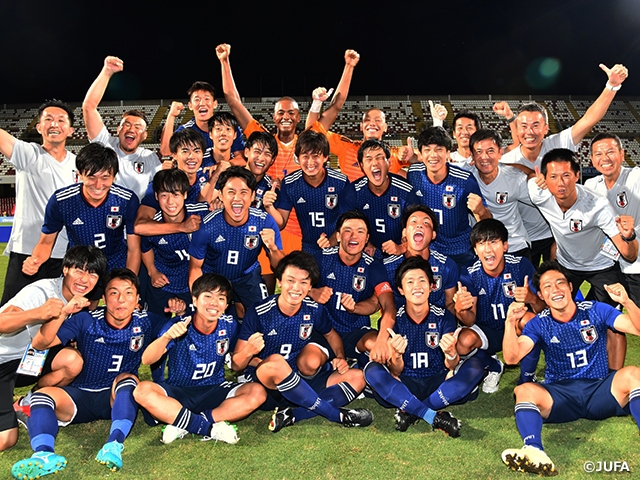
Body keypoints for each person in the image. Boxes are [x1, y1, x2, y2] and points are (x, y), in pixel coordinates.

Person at [10, 269, 184, 477]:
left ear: (138, 299)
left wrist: (180, 313)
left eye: (128, 293)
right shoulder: (86, 319)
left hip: (115, 398)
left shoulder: (146, 320)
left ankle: (113, 445)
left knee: (129, 380)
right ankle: (43, 455)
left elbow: (178, 329)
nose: (121, 300)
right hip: (79, 395)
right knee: (41, 397)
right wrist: (64, 312)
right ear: (103, 298)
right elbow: (40, 344)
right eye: (113, 293)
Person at [501, 261, 640, 476]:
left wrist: (627, 302)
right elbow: (511, 358)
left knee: (633, 374)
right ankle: (534, 450)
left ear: (570, 287)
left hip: (599, 391)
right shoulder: (539, 322)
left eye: (560, 283)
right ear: (542, 297)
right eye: (547, 287)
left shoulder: (596, 309)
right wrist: (510, 323)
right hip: (561, 395)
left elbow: (636, 328)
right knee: (524, 390)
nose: (555, 290)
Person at [496, 63, 629, 265]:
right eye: (523, 126)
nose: (529, 131)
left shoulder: (558, 143)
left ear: (546, 128)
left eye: (535, 125)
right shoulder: (507, 161)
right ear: (517, 128)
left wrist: (612, 86)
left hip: (559, 235)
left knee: (561, 285)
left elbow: (589, 120)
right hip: (526, 237)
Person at [232, 251, 373, 431]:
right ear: (280, 281)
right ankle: (338, 416)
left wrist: (340, 356)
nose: (296, 288)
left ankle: (292, 416)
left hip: (301, 379)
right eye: (290, 280)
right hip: (270, 386)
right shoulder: (259, 311)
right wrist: (249, 352)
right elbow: (236, 365)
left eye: (303, 282)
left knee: (357, 377)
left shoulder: (314, 309)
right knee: (276, 362)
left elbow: (331, 334)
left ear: (310, 287)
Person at [529, 148, 637, 370]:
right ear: (544, 179)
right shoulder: (538, 193)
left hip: (602, 266)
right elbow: (524, 173)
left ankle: (611, 379)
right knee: (547, 313)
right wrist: (531, 176)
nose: (560, 183)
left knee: (610, 323)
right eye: (553, 176)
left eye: (566, 175)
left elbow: (629, 254)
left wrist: (629, 237)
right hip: (567, 265)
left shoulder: (597, 205)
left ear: (578, 176)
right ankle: (558, 367)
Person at [364, 256, 488, 436]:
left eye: (422, 280)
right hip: (405, 383)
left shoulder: (443, 316)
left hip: (437, 381)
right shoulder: (394, 321)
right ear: (401, 289)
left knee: (475, 367)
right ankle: (432, 416)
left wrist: (451, 353)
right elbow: (395, 371)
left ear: (432, 286)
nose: (417, 286)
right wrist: (397, 355)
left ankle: (412, 411)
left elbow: (451, 366)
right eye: (410, 281)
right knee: (371, 370)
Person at [134, 274, 264, 444]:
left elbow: (235, 365)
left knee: (257, 392)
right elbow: (147, 359)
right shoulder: (180, 324)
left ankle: (183, 421)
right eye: (208, 296)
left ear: (226, 305)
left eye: (220, 298)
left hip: (214, 388)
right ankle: (207, 427)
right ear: (194, 300)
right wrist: (166, 337)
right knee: (142, 390)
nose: (213, 302)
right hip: (179, 390)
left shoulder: (229, 324)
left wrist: (248, 352)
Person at [0, 246, 106, 452]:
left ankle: (29, 402)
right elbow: (2, 322)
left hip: (28, 359)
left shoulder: (82, 303)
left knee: (72, 360)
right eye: (79, 270)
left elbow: (44, 342)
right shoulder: (41, 291)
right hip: (2, 361)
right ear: (65, 269)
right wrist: (38, 312)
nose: (85, 279)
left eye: (92, 273)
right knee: (6, 439)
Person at [216, 43, 302, 254]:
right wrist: (225, 61)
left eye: (291, 113)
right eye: (280, 113)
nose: (286, 117)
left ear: (299, 117)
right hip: (261, 226)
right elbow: (233, 101)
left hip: (296, 228)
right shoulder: (262, 140)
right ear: (274, 117)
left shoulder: (306, 145)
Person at [0, 100, 77, 306]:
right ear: (39, 127)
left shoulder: (78, 164)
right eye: (48, 119)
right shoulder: (28, 154)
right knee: (12, 312)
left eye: (61, 120)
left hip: (63, 252)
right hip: (27, 249)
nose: (54, 124)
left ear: (70, 130)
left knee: (56, 313)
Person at [24, 143, 141, 275]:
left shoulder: (127, 200)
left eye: (105, 178)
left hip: (116, 267)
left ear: (114, 177)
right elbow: (46, 242)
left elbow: (134, 249)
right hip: (79, 270)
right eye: (91, 177)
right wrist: (36, 259)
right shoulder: (62, 201)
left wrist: (128, 280)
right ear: (79, 174)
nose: (98, 185)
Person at [454, 219, 542, 391]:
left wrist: (532, 298)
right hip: (486, 329)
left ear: (505, 246)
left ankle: (527, 378)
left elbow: (544, 311)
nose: (488, 249)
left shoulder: (520, 265)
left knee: (531, 322)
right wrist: (460, 310)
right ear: (475, 250)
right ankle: (493, 365)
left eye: (493, 242)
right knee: (462, 342)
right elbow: (469, 320)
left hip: (514, 328)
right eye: (481, 243)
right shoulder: (469, 272)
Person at [188, 167, 284, 316]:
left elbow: (280, 266)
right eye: (231, 192)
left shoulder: (264, 221)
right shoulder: (207, 227)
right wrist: (198, 298)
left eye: (243, 192)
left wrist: (273, 248)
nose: (237, 198)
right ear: (220, 195)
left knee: (265, 315)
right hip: (214, 276)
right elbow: (195, 268)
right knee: (209, 318)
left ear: (252, 196)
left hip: (248, 276)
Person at [310, 210, 396, 365]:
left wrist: (382, 339)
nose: (353, 236)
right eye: (347, 231)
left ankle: (365, 372)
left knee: (386, 350)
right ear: (337, 236)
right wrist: (312, 291)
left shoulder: (373, 266)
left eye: (360, 231)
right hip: (325, 331)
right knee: (308, 363)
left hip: (357, 332)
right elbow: (292, 282)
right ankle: (331, 372)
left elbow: (387, 305)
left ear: (367, 238)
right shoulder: (321, 258)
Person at [407, 126, 491, 269]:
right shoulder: (414, 174)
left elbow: (487, 223)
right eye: (427, 150)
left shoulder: (464, 180)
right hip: (428, 250)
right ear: (420, 154)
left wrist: (481, 211)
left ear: (447, 153)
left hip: (460, 251)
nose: (433, 155)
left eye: (439, 149)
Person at [82, 56, 162, 200]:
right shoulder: (105, 144)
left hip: (135, 219)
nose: (131, 129)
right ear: (118, 130)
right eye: (127, 124)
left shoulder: (150, 158)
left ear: (144, 135)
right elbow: (89, 107)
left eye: (138, 127)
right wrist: (106, 72)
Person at [140, 169, 209, 317]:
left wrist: (219, 206)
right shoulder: (153, 226)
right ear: (156, 197)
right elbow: (145, 248)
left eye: (176, 194)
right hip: (162, 282)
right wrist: (153, 272)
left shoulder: (202, 214)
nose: (170, 202)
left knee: (194, 330)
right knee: (154, 330)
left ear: (185, 194)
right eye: (164, 195)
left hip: (193, 283)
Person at [271, 130, 349, 256]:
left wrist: (332, 240)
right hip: (308, 248)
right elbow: (281, 223)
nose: (310, 162)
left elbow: (349, 218)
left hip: (339, 246)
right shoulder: (290, 183)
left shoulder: (340, 181)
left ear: (325, 157)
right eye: (305, 156)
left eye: (315, 156)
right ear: (298, 158)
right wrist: (269, 206)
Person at [338, 139, 419, 258]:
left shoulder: (405, 190)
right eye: (369, 159)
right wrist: (365, 242)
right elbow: (344, 226)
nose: (374, 163)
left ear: (389, 163)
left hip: (401, 254)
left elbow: (420, 227)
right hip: (368, 255)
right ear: (361, 166)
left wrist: (401, 247)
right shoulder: (353, 192)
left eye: (379, 157)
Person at [585, 133, 640, 304]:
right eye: (599, 154)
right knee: (602, 318)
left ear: (622, 155)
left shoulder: (635, 177)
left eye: (610, 152)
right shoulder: (591, 186)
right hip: (608, 266)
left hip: (636, 266)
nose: (605, 158)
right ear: (592, 160)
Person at [383, 204, 458, 314]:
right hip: (401, 326)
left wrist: (460, 309)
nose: (419, 226)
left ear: (433, 235)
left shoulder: (446, 266)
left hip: (437, 327)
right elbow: (381, 304)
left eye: (426, 222)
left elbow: (450, 305)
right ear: (404, 232)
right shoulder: (387, 266)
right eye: (413, 222)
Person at [469, 129, 532, 259]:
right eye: (479, 152)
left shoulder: (515, 178)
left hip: (515, 245)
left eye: (490, 151)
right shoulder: (466, 176)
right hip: (483, 248)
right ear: (472, 156)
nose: (484, 157)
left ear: (500, 153)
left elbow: (540, 202)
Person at [158, 81, 245, 167]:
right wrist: (171, 116)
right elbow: (166, 151)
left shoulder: (229, 128)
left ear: (215, 104)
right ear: (190, 105)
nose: (202, 103)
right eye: (197, 99)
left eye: (207, 99)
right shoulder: (186, 131)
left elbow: (242, 159)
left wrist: (220, 168)